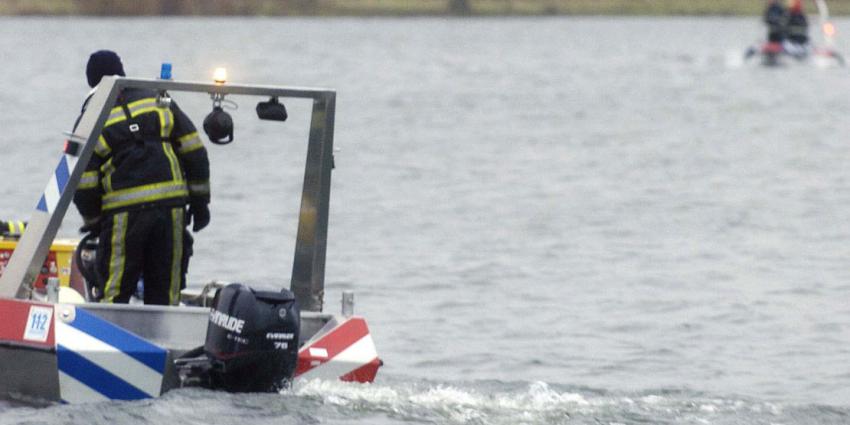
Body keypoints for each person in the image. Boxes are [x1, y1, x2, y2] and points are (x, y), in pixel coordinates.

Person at [72, 50, 210, 305]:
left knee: (115, 291)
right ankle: (166, 340)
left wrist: (93, 221)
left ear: (91, 81)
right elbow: (194, 150)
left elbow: (83, 181)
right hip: (172, 209)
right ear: (122, 72)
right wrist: (201, 203)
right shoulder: (157, 99)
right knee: (166, 292)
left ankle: (109, 341)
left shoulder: (90, 118)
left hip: (124, 214)